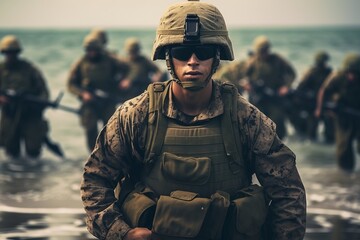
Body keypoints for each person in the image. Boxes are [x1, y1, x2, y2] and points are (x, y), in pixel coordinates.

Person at [80, 1, 306, 240]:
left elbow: (288, 192)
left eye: (204, 52)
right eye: (182, 53)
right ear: (168, 58)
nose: (193, 61)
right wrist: (122, 233)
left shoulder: (244, 118)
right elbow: (95, 180)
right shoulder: (136, 115)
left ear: (217, 57)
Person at [67, 34, 130, 152]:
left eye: (94, 50)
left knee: (111, 132)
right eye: (88, 50)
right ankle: (93, 156)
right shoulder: (81, 63)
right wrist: (82, 94)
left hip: (107, 101)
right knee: (90, 129)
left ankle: (110, 156)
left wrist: (125, 80)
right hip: (90, 103)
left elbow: (128, 68)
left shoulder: (110, 59)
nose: (91, 53)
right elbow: (71, 84)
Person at [0, 35, 50, 159]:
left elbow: (43, 92)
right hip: (10, 115)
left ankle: (33, 177)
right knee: (11, 151)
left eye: (13, 52)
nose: (11, 56)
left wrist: (37, 105)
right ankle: (15, 177)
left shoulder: (29, 69)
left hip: (29, 115)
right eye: (8, 53)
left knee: (33, 151)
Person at [243, 35, 296, 139]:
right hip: (258, 99)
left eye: (266, 50)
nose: (264, 53)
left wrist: (286, 86)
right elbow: (244, 77)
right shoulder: (252, 62)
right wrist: (246, 84)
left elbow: (291, 73)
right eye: (261, 51)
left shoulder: (277, 60)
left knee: (278, 124)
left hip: (275, 98)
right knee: (256, 127)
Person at [315, 53, 360, 171]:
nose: (352, 76)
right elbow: (323, 90)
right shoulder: (337, 76)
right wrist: (320, 109)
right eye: (349, 73)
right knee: (343, 146)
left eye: (355, 73)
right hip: (342, 114)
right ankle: (346, 177)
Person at [295, 51, 334, 142]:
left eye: (322, 62)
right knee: (311, 133)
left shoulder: (329, 73)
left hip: (325, 105)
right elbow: (300, 88)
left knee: (330, 133)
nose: (321, 64)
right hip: (312, 105)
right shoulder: (311, 73)